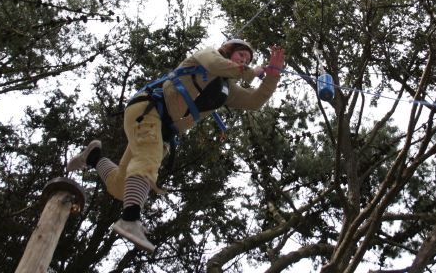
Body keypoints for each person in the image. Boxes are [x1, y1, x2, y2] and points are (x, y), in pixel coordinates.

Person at [67, 39, 285, 252]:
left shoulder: (228, 88)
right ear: (228, 51)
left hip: (162, 131)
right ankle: (130, 220)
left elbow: (255, 101)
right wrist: (251, 72)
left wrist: (273, 75)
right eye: (241, 55)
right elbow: (216, 65)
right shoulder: (207, 55)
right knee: (148, 160)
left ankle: (93, 157)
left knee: (120, 188)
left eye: (248, 59)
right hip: (148, 110)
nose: (244, 60)